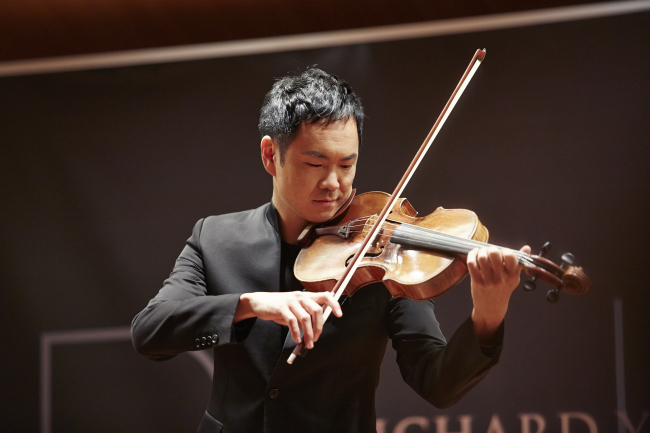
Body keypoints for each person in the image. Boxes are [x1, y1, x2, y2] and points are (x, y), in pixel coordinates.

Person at [131, 67, 530, 433]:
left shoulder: (383, 258)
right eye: (315, 164)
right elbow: (150, 332)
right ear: (271, 155)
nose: (334, 183)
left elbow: (437, 383)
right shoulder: (215, 238)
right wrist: (251, 305)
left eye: (347, 165)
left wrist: (488, 315)